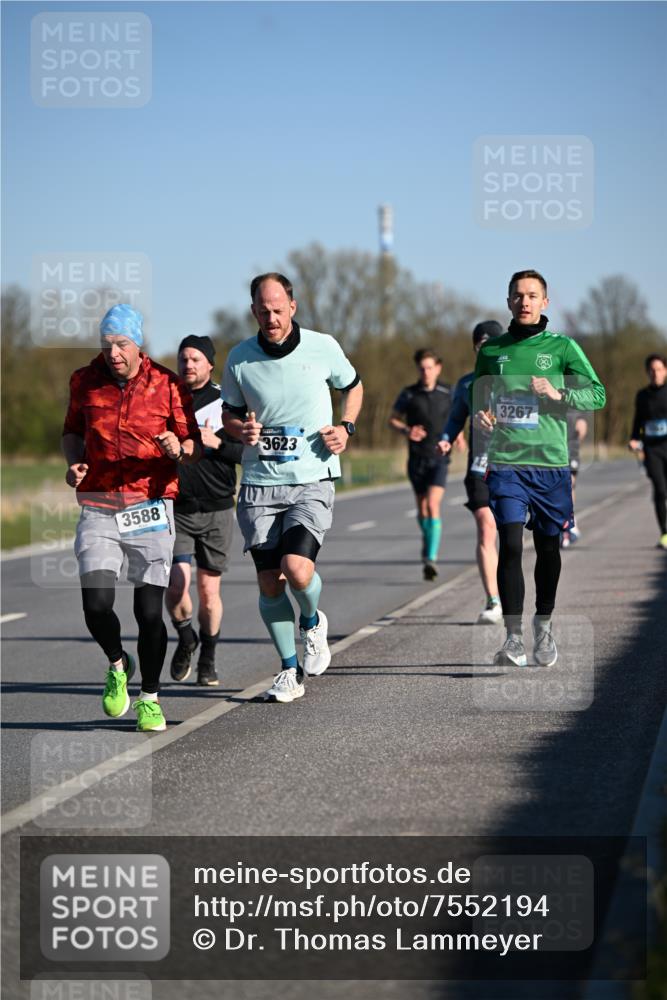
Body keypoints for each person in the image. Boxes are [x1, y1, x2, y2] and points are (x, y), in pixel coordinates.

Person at [221, 273, 363, 703]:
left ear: (293, 307)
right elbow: (229, 414)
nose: (271, 318)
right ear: (253, 311)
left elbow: (353, 388)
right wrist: (240, 430)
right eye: (263, 311)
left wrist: (346, 427)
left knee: (297, 567)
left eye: (278, 309)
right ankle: (287, 670)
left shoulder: (323, 346)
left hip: (311, 479)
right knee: (269, 582)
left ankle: (312, 621)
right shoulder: (240, 358)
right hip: (260, 484)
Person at [62, 304, 201, 732]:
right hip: (100, 503)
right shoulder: (84, 381)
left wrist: (177, 450)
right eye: (106, 346)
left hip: (150, 504)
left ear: (138, 343)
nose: (113, 354)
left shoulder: (168, 384)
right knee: (97, 603)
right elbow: (71, 431)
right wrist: (74, 464)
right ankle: (118, 661)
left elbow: (191, 440)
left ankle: (151, 698)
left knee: (147, 612)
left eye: (121, 344)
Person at [472, 270, 605, 667]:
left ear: (545, 302)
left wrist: (558, 392)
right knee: (510, 543)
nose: (525, 302)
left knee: (548, 548)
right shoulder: (492, 351)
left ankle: (542, 623)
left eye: (532, 295)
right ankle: (513, 638)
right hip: (507, 464)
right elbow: (478, 395)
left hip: (550, 465)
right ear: (508, 301)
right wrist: (481, 415)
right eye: (518, 295)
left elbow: (597, 394)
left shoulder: (562, 347)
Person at [166, 335, 243, 686]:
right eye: (184, 359)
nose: (188, 365)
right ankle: (186, 639)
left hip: (216, 508)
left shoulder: (226, 403)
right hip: (177, 508)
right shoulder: (167, 400)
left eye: (196, 359)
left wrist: (219, 444)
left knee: (209, 594)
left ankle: (208, 658)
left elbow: (245, 453)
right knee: (175, 588)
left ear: (210, 364)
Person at [438, 321, 504, 622]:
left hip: (512, 465)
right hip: (479, 465)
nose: (485, 350)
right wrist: (445, 438)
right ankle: (492, 600)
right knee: (485, 526)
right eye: (480, 346)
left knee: (511, 534)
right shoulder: (466, 384)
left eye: (491, 345)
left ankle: (512, 590)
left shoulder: (515, 379)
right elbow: (454, 419)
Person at [389, 349, 453, 580]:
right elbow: (392, 419)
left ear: (438, 368)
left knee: (433, 506)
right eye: (421, 368)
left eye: (429, 367)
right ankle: (427, 544)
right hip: (416, 458)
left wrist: (460, 437)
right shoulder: (408, 394)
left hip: (440, 457)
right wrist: (407, 430)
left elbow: (457, 416)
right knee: (423, 509)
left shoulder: (448, 392)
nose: (425, 372)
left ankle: (430, 557)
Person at [629, 353, 667, 549]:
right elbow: (638, 420)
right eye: (652, 370)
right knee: (660, 490)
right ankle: (665, 533)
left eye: (659, 369)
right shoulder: (642, 396)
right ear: (647, 372)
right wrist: (634, 438)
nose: (656, 373)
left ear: (666, 371)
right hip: (652, 449)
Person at [561, 410, 589, 548]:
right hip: (551, 444)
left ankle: (570, 520)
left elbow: (582, 422)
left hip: (570, 446)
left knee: (569, 483)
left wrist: (581, 425)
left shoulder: (574, 392)